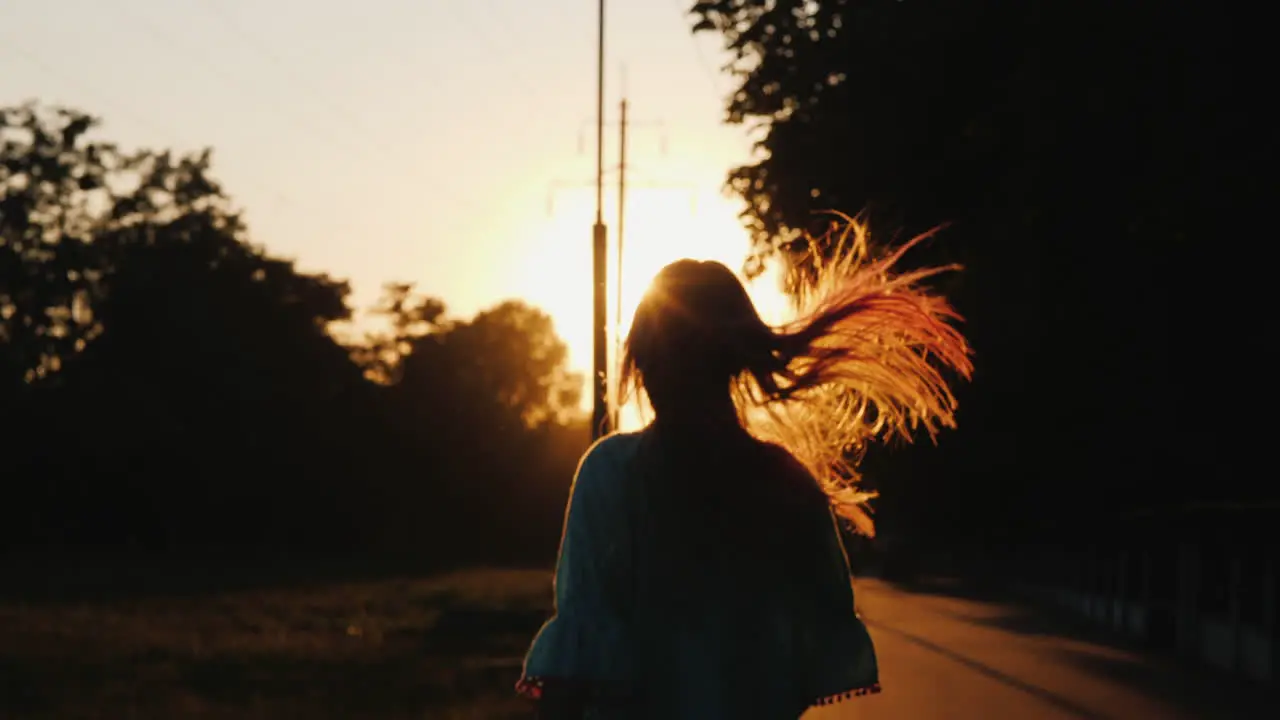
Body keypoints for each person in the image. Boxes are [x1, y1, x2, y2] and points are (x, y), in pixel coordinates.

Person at [517, 222, 973, 719]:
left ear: (641, 362)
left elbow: (570, 673)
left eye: (662, 359)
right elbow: (808, 659)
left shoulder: (610, 473)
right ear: (735, 363)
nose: (661, 375)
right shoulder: (785, 484)